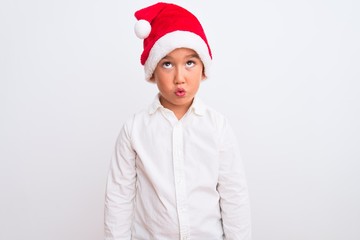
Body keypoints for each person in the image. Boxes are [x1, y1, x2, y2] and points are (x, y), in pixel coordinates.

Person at [104, 2, 251, 239]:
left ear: (203, 68)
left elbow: (234, 197)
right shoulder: (134, 130)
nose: (179, 78)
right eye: (167, 64)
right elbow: (118, 200)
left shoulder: (218, 127)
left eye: (190, 63)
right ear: (152, 71)